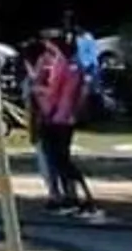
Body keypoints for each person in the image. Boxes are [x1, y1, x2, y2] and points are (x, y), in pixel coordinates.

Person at [29, 30, 95, 212]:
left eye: (48, 42)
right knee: (63, 158)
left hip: (55, 118)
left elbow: (53, 93)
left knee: (57, 160)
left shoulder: (60, 65)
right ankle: (76, 195)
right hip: (68, 119)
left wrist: (37, 89)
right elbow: (79, 94)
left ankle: (72, 196)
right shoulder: (76, 66)